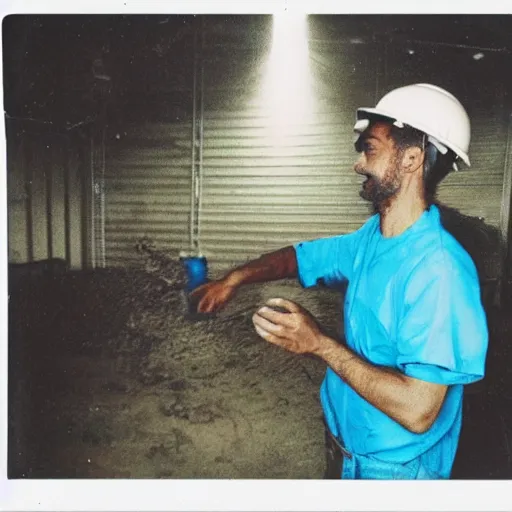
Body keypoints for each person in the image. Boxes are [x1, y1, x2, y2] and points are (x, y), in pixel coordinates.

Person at [189, 83, 489, 479]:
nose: (359, 163)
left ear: (412, 159)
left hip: (395, 474)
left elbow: (418, 412)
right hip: (347, 452)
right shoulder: (373, 237)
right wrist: (234, 278)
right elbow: (301, 257)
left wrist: (318, 344)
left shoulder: (440, 271)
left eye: (371, 149)